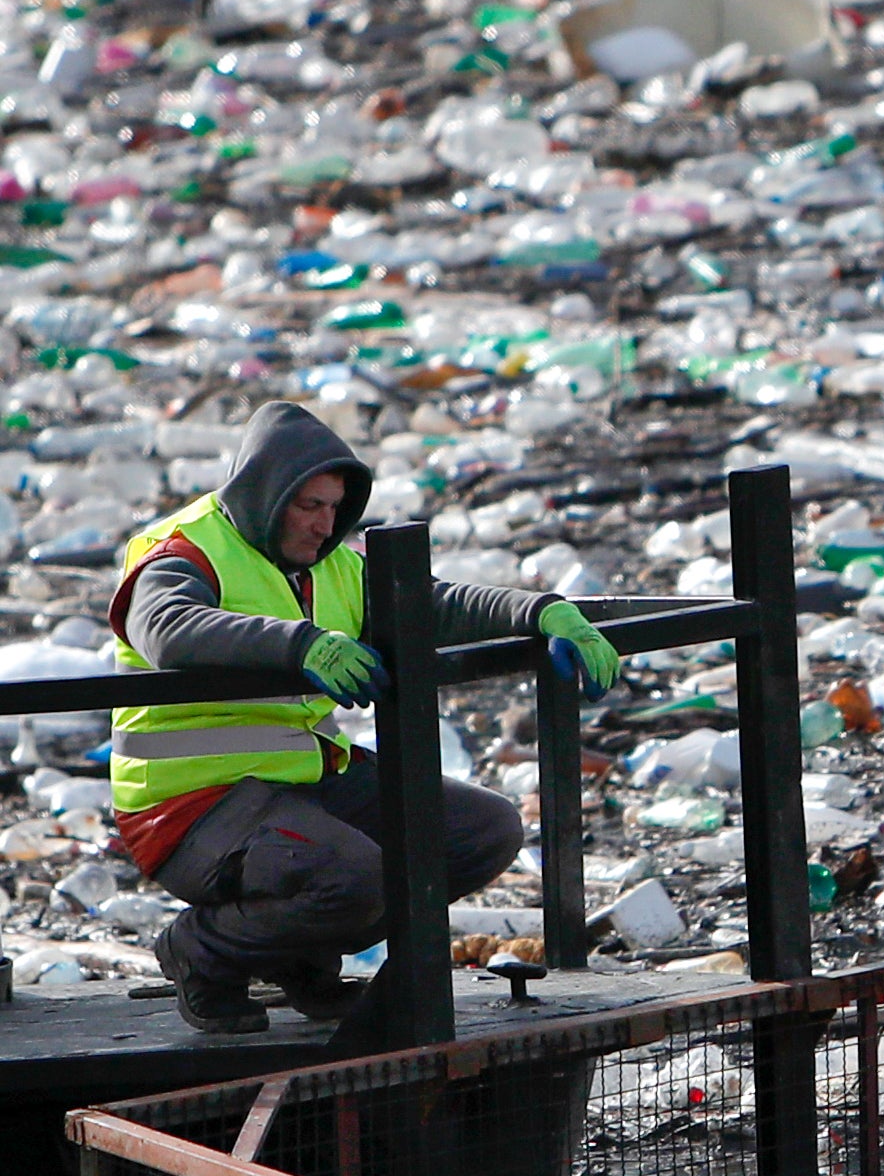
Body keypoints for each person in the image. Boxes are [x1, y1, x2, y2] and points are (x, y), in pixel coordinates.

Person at [106, 400, 625, 1034]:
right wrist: (302, 645)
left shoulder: (332, 564)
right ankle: (203, 950)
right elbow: (169, 628)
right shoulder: (183, 551)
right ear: (267, 494)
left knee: (481, 831)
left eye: (333, 508)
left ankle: (295, 956)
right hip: (191, 805)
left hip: (299, 783)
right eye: (309, 506)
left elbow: (431, 604)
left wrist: (542, 611)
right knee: (354, 876)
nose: (324, 525)